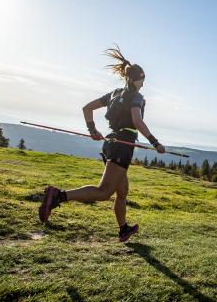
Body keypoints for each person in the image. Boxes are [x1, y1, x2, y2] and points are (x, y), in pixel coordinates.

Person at [38, 46, 166, 242]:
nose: (143, 82)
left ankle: (123, 229)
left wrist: (92, 130)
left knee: (122, 192)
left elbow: (87, 108)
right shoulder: (136, 97)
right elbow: (137, 121)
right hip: (123, 145)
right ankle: (58, 196)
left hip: (111, 142)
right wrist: (155, 142)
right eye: (142, 79)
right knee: (104, 192)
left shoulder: (114, 93)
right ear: (134, 79)